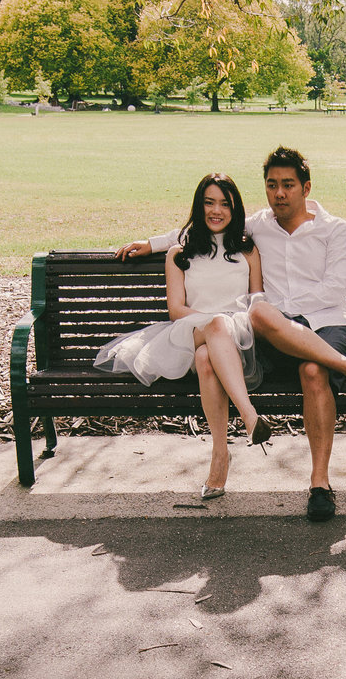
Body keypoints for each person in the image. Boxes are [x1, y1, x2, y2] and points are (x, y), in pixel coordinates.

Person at [118, 146, 346, 523]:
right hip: (271, 328)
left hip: (327, 322)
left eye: (288, 185)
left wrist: (283, 308)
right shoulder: (257, 225)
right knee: (258, 313)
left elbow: (335, 289)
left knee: (311, 370)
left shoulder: (335, 229)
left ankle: (320, 483)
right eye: (272, 185)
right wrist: (153, 243)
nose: (279, 193)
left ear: (306, 187)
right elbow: (204, 224)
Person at [94, 174, 272, 500]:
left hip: (238, 343)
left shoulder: (247, 250)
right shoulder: (180, 252)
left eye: (224, 204)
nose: (216, 210)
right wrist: (213, 323)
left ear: (236, 209)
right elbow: (176, 309)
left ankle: (220, 456)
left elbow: (256, 302)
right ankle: (249, 417)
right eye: (208, 202)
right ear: (198, 205)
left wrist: (228, 325)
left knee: (209, 358)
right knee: (211, 333)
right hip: (188, 336)